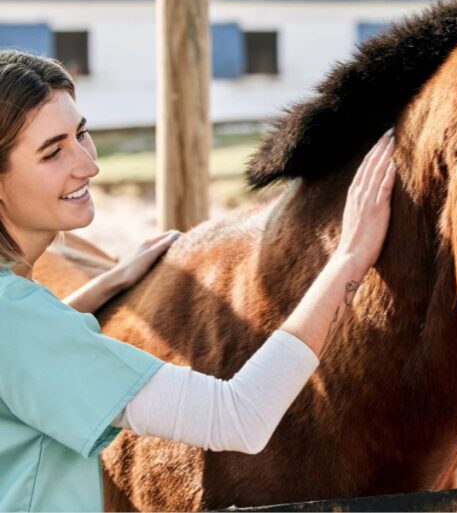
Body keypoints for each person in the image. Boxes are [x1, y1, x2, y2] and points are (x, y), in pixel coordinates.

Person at [0, 50, 397, 512]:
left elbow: (29, 356)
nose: (89, 165)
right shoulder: (18, 322)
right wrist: (349, 258)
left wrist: (107, 284)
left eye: (81, 134)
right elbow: (238, 417)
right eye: (53, 152)